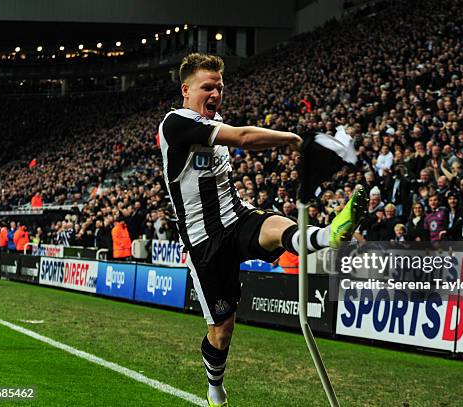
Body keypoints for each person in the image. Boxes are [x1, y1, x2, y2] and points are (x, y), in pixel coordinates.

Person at [157, 53, 367, 407]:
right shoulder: (175, 123)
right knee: (222, 331)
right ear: (186, 90)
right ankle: (215, 390)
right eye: (208, 87)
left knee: (273, 226)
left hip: (236, 217)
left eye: (220, 87)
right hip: (204, 241)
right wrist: (292, 138)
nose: (216, 93)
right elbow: (241, 137)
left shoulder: (214, 120)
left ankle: (327, 235)